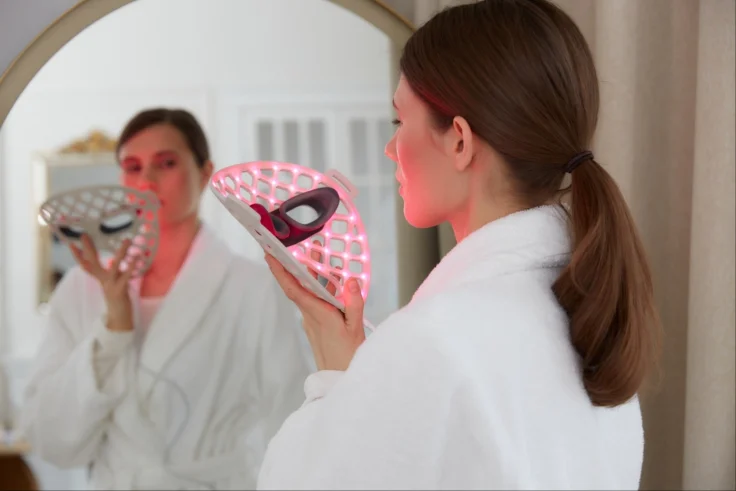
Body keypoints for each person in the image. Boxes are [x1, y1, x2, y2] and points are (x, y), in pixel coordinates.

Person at [256, 1, 663, 489]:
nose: (390, 150)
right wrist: (357, 371)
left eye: (399, 123)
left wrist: (335, 380)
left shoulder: (434, 340)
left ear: (460, 142)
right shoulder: (592, 327)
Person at [20, 108, 314, 490]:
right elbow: (50, 439)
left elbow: (292, 419)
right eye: (133, 167)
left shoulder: (252, 287)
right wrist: (112, 332)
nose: (147, 180)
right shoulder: (81, 288)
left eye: (167, 163)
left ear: (205, 173)